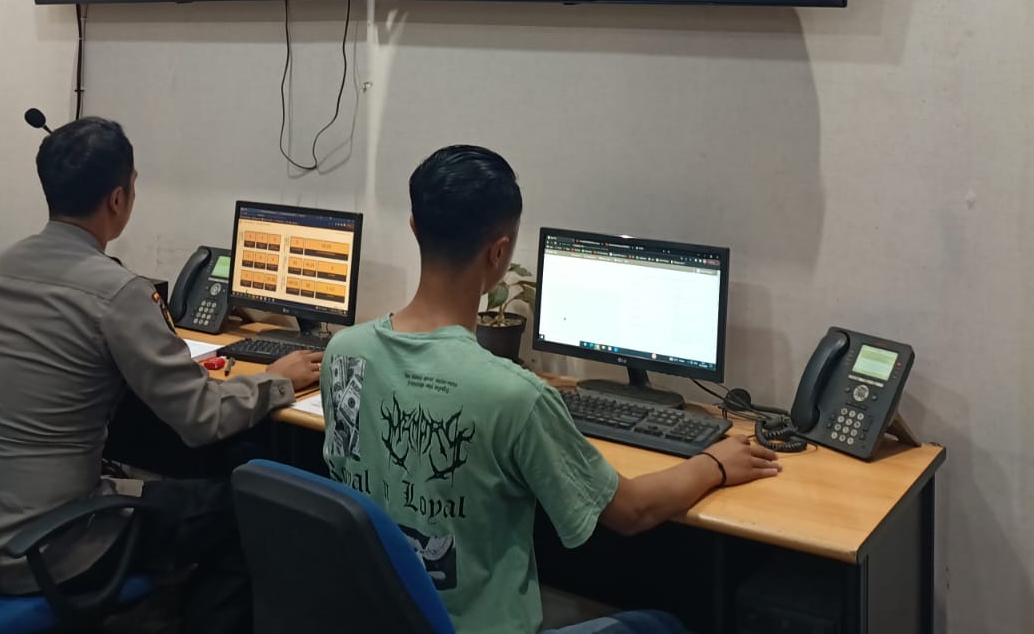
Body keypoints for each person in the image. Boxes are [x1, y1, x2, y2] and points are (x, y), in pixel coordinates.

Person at [320, 146, 778, 634]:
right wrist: (714, 464)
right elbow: (633, 512)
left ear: (415, 228)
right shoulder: (513, 395)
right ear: (498, 252)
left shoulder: (344, 355)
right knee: (663, 624)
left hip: (377, 616)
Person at [0, 117, 321, 633]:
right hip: (45, 546)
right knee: (253, 510)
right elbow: (201, 419)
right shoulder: (119, 293)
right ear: (118, 199)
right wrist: (277, 379)